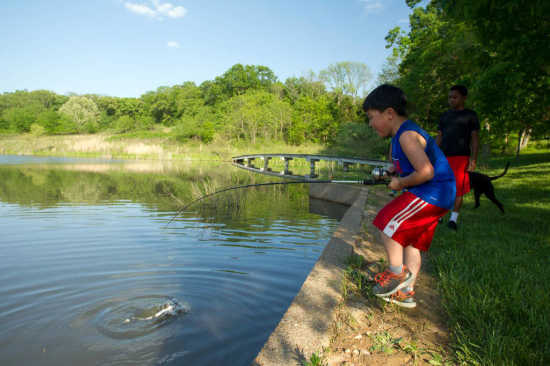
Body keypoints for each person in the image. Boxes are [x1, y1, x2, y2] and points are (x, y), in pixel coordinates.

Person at [363, 84, 456, 308]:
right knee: (411, 244)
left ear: (389, 113)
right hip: (441, 194)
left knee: (387, 224)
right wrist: (392, 172)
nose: (370, 123)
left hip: (432, 192)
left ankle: (396, 274)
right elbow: (406, 164)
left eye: (371, 117)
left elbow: (426, 171)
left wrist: (401, 183)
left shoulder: (406, 136)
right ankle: (405, 293)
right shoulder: (398, 138)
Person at [436, 85, 480, 230]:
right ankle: (440, 215)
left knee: (458, 189)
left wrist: (473, 159)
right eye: (449, 97)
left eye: (455, 97)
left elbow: (474, 139)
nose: (451, 100)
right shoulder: (445, 116)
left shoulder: (470, 115)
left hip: (461, 157)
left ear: (464, 98)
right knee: (443, 186)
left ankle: (453, 219)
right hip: (444, 157)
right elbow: (439, 137)